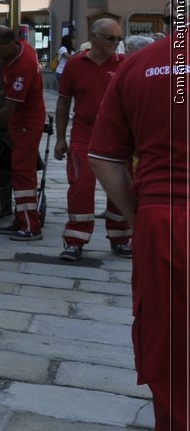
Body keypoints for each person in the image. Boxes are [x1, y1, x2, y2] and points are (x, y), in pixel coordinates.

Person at [89, 24, 190, 431]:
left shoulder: (143, 63)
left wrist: (140, 215)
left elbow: (105, 158)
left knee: (172, 362)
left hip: (163, 223)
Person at [53, 19, 126, 261]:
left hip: (117, 137)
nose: (116, 44)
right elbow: (63, 102)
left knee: (120, 187)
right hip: (84, 134)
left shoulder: (125, 65)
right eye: (110, 38)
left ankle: (121, 238)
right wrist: (60, 138)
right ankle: (75, 241)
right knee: (80, 187)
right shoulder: (74, 65)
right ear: (93, 38)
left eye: (119, 39)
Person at [0, 25, 48, 241]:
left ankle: (30, 225)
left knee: (23, 171)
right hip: (21, 121)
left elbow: (8, 109)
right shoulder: (20, 47)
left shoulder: (23, 66)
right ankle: (21, 219)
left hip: (26, 122)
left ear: (10, 44)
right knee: (19, 170)